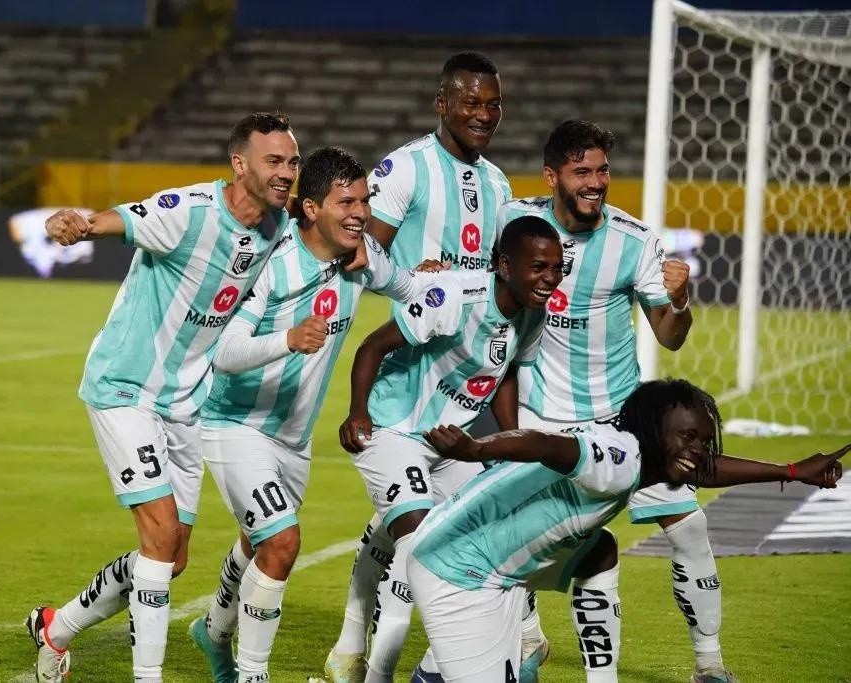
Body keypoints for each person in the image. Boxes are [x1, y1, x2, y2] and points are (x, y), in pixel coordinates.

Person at [23, 112, 300, 683]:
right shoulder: (189, 213)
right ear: (239, 164)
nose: (286, 172)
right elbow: (113, 220)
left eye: (292, 162)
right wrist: (73, 223)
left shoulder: (276, 227)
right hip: (126, 388)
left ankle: (60, 628)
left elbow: (332, 233)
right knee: (158, 536)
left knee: (172, 557)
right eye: (274, 161)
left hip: (184, 403)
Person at [188, 146, 447, 683]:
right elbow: (225, 351)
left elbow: (404, 285)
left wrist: (429, 277)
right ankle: (251, 673)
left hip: (292, 437)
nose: (360, 212)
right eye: (346, 202)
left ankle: (213, 628)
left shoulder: (360, 257)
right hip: (234, 424)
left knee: (258, 540)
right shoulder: (271, 261)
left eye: (364, 200)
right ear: (310, 208)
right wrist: (287, 339)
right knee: (282, 542)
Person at [409, 378, 848, 682]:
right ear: (655, 430)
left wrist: (791, 470)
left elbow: (706, 470)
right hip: (461, 572)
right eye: (686, 437)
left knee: (599, 547)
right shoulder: (616, 460)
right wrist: (474, 448)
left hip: (488, 566)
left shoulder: (642, 453)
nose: (695, 451)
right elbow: (547, 444)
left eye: (701, 440)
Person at [498, 119, 734, 683]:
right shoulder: (512, 223)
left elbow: (670, 335)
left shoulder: (634, 240)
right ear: (552, 176)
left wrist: (679, 300)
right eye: (582, 171)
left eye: (602, 169)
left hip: (625, 422)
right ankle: (526, 640)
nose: (596, 181)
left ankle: (709, 665)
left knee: (689, 527)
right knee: (514, 544)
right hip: (543, 418)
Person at [325, 50, 513, 683]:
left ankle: (359, 648)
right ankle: (377, 658)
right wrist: (412, 284)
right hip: (395, 387)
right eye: (472, 102)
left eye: (492, 104)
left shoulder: (499, 186)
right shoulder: (405, 168)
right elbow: (359, 250)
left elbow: (500, 277)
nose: (484, 115)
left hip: (457, 399)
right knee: (421, 538)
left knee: (416, 532)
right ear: (443, 104)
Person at [335, 216, 563, 683]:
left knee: (493, 532)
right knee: (422, 545)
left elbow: (508, 369)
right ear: (504, 265)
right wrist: (358, 411)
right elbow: (372, 347)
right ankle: (377, 674)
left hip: (449, 443)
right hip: (393, 431)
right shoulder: (455, 296)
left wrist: (507, 443)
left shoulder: (533, 310)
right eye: (538, 267)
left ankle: (441, 663)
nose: (550, 279)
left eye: (556, 268)